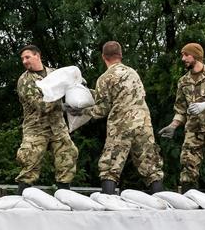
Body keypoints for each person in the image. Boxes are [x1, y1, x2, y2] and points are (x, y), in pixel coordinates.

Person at [81, 41, 164, 195]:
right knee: (151, 167)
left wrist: (82, 111)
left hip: (121, 125)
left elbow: (102, 109)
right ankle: (162, 206)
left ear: (103, 57)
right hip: (143, 124)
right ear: (120, 55)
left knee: (110, 167)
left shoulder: (105, 78)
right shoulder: (133, 73)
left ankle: (109, 206)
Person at [158, 42, 205, 192]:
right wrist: (173, 126)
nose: (183, 58)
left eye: (186, 55)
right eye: (182, 55)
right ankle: (188, 204)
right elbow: (180, 109)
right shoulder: (183, 81)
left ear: (196, 56)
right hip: (193, 130)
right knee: (188, 166)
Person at [13, 45, 77, 192]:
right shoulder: (25, 81)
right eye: (22, 58)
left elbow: (72, 91)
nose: (24, 61)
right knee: (29, 163)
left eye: (27, 57)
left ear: (38, 56)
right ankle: (21, 199)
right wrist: (61, 96)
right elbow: (42, 106)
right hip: (36, 128)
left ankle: (64, 195)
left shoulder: (55, 74)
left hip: (58, 127)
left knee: (67, 157)